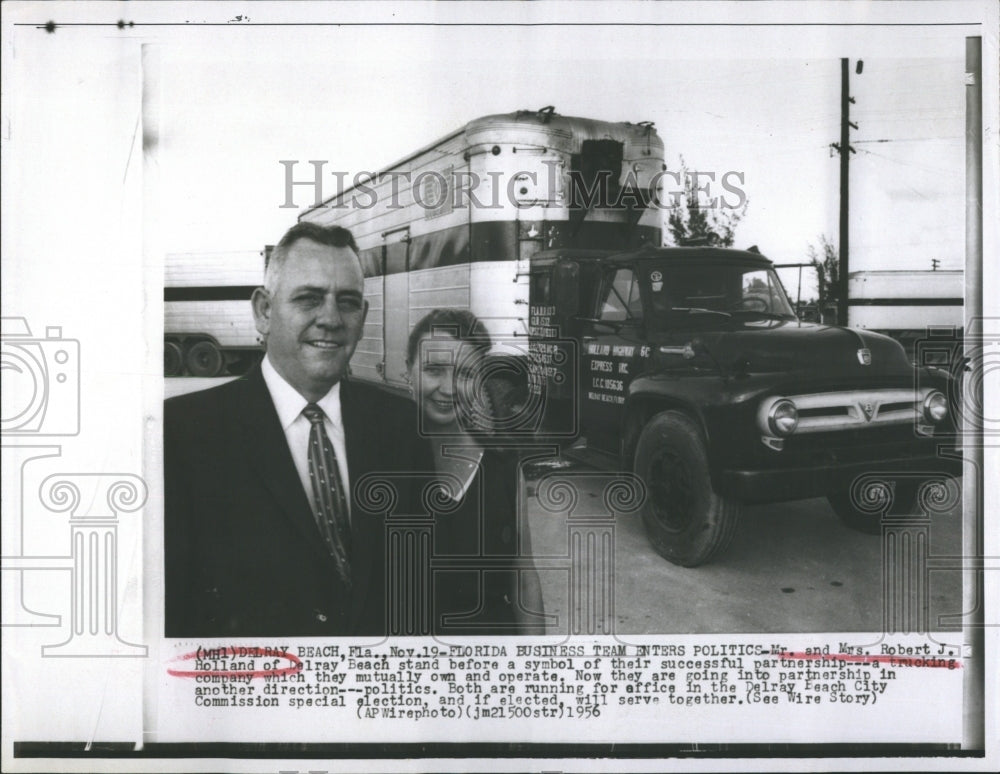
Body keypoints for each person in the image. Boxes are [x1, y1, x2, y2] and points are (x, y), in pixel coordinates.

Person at [164, 222, 428, 637]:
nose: (331, 319)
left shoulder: (402, 427)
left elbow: (422, 592)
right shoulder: (182, 435)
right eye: (308, 299)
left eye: (348, 302)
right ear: (263, 311)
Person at [406, 309, 546, 635]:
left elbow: (524, 577)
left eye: (466, 374)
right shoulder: (384, 459)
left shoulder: (504, 464)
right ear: (407, 372)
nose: (449, 388)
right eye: (434, 369)